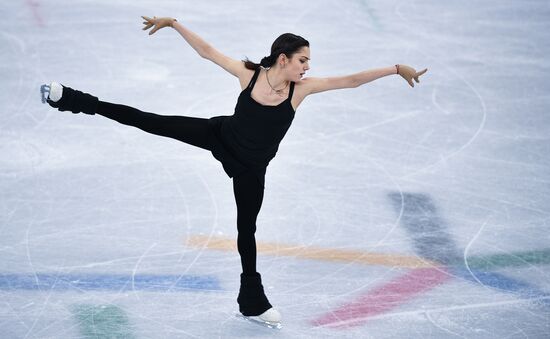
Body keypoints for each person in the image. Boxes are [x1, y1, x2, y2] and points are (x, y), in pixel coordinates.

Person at [41, 15, 427, 327]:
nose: (309, 66)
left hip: (251, 168)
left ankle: (252, 301)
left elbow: (351, 81)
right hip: (219, 135)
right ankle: (71, 99)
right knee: (150, 120)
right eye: (303, 59)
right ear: (283, 59)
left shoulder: (301, 90)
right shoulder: (250, 75)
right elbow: (209, 52)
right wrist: (175, 24)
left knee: (247, 230)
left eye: (308, 61)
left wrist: (395, 68)